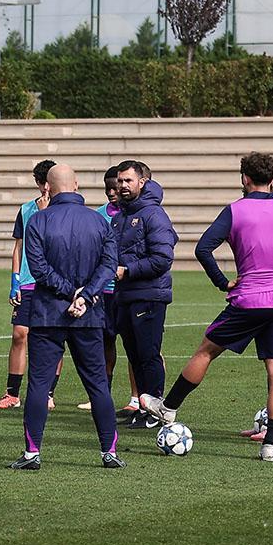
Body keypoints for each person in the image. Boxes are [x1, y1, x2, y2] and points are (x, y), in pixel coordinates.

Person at [141, 152, 273, 462]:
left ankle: (169, 407)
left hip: (248, 299)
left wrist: (222, 282)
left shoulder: (235, 210)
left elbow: (203, 249)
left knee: (206, 351)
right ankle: (270, 446)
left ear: (244, 178)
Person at [7, 165, 123, 470]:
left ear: (48, 187)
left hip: (48, 314)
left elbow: (39, 269)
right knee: (97, 384)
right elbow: (109, 265)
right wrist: (85, 295)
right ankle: (109, 451)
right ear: (77, 185)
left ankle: (32, 453)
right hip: (88, 314)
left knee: (39, 384)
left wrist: (71, 292)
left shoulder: (38, 220)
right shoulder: (99, 221)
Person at [112, 160, 177, 430]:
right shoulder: (120, 216)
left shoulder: (153, 215)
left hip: (149, 295)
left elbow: (163, 258)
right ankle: (143, 407)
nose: (123, 185)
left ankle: (157, 410)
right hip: (125, 295)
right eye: (120, 181)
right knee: (135, 355)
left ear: (142, 182)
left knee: (148, 355)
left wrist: (128, 270)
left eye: (128, 180)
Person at [78, 166, 141, 415]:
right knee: (104, 343)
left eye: (115, 188)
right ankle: (101, 395)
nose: (112, 193)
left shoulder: (135, 213)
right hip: (102, 291)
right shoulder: (98, 215)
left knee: (135, 345)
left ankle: (137, 398)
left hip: (127, 289)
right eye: (108, 189)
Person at [0, 160, 54, 411]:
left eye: (48, 183)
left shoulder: (64, 210)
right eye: (41, 183)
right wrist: (15, 280)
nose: (45, 188)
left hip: (53, 283)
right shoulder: (26, 209)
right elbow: (19, 246)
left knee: (51, 338)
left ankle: (48, 392)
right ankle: (12, 393)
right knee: (19, 334)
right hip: (28, 282)